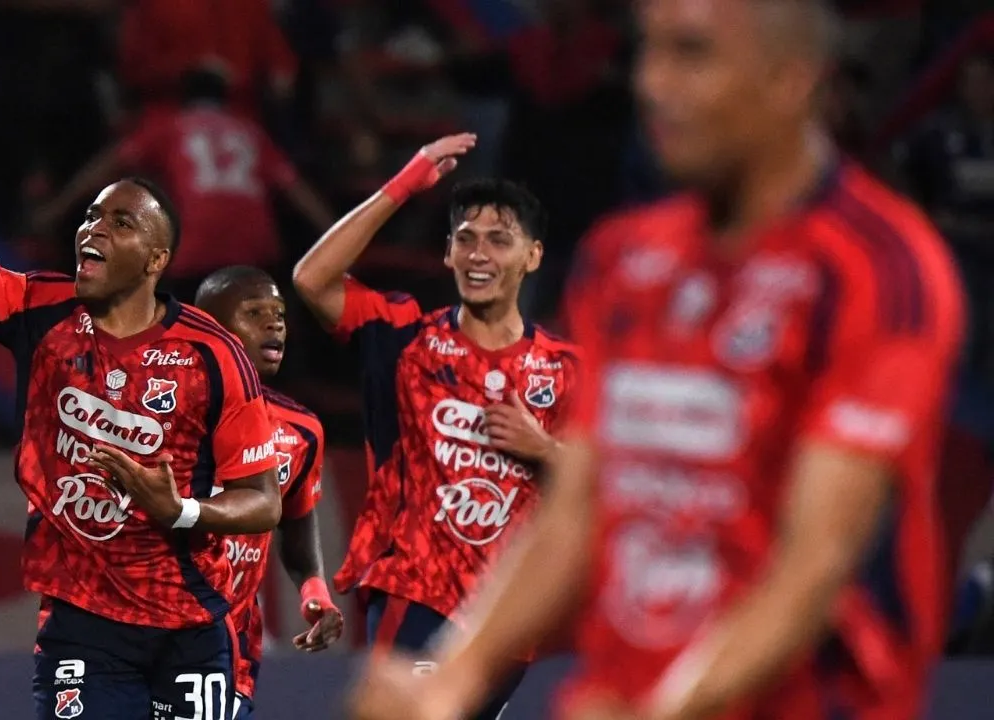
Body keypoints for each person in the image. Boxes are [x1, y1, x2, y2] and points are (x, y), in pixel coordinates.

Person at [348, 2, 965, 720]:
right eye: (651, 52)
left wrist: (666, 710)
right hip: (621, 697)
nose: (653, 83)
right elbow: (576, 512)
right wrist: (449, 681)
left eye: (692, 55)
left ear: (789, 80)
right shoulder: (624, 259)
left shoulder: (878, 269)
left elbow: (817, 561)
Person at [0, 3, 282, 719]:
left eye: (120, 221)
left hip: (189, 628)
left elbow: (262, 501)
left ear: (157, 258)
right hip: (83, 622)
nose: (93, 228)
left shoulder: (214, 355)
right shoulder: (39, 310)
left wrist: (178, 509)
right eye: (90, 216)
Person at [293, 137, 581, 719]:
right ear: (447, 254)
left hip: (503, 612)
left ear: (533, 256)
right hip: (414, 591)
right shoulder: (404, 336)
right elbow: (311, 279)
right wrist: (405, 183)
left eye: (499, 239)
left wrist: (543, 447)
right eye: (465, 239)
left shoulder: (566, 368)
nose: (479, 254)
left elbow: (608, 482)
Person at [35, 67, 333, 300]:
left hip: (197, 250)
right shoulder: (250, 131)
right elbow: (297, 190)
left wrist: (58, 208)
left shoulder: (170, 125)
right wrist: (334, 232)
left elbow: (109, 165)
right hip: (255, 249)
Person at [194, 265, 345, 719]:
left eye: (278, 313)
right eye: (254, 312)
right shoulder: (161, 410)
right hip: (145, 624)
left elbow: (296, 523)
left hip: (230, 643)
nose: (274, 323)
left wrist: (314, 592)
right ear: (209, 328)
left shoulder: (301, 430)